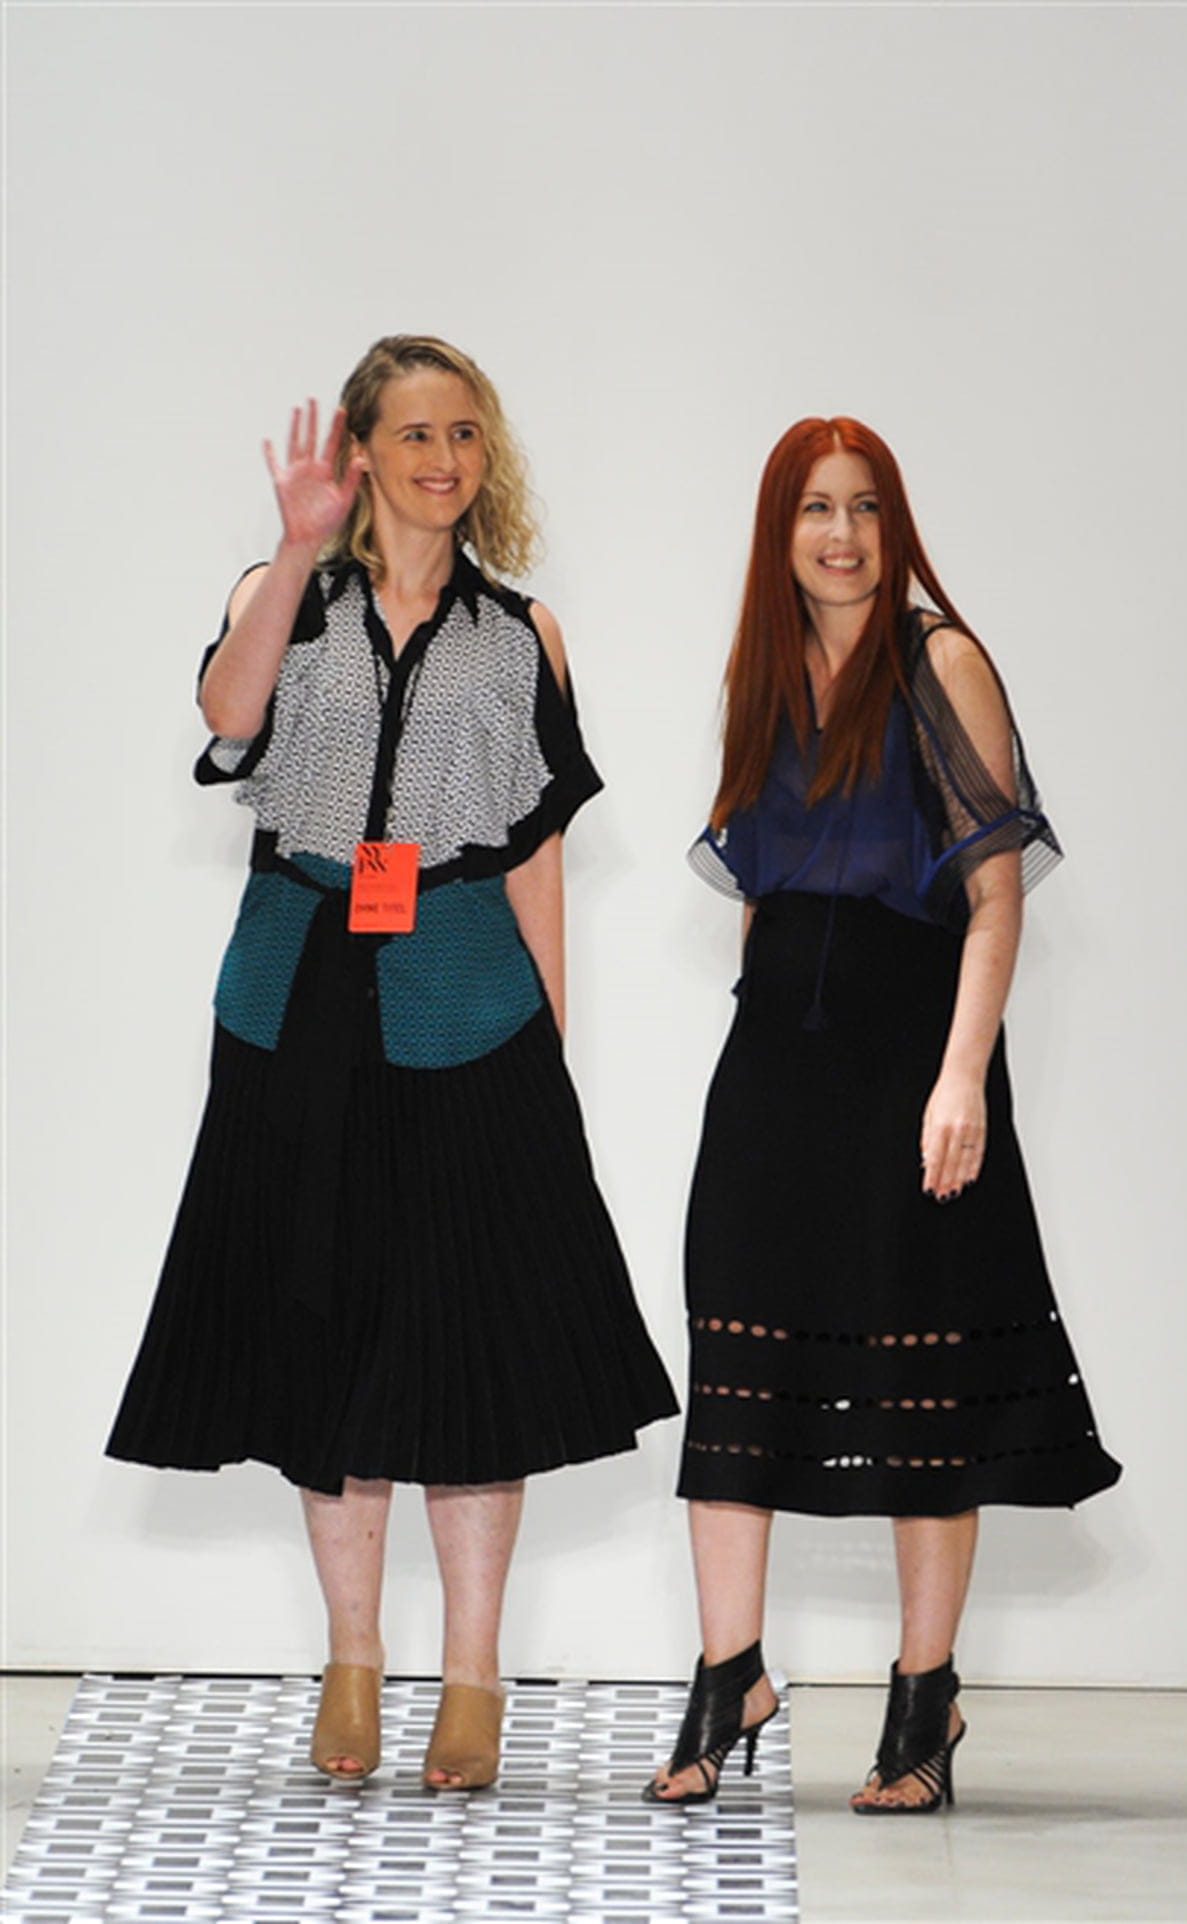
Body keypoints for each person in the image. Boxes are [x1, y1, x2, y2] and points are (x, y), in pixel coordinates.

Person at [107, 333, 677, 1792]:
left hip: (469, 1001)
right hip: (295, 997)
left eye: (465, 433)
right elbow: (229, 720)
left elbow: (537, 852)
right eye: (416, 432)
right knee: (322, 1331)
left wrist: (551, 1043)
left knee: (472, 1342)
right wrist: (298, 549)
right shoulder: (282, 595)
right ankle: (351, 1661)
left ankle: (473, 1677)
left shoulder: (524, 635)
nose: (444, 459)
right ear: (361, 452)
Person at [645, 417, 1121, 1814]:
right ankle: (731, 1672)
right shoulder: (762, 672)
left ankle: (925, 1696)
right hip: (776, 1066)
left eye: (864, 508)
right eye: (815, 508)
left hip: (913, 1058)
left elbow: (996, 895)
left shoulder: (940, 661)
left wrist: (961, 1075)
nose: (842, 535)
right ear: (779, 530)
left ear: (894, 525)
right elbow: (762, 887)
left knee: (921, 1382)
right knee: (737, 1349)